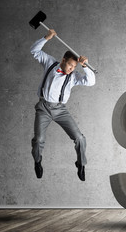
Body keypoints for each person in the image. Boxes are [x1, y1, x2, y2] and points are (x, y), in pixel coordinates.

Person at [30, 29, 96, 181]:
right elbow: (34, 50)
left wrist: (85, 66)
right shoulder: (49, 63)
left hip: (60, 110)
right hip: (44, 108)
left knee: (79, 138)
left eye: (74, 67)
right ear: (63, 60)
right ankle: (37, 161)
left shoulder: (73, 77)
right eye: (71, 66)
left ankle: (81, 164)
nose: (72, 69)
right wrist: (47, 37)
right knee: (38, 139)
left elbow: (91, 82)